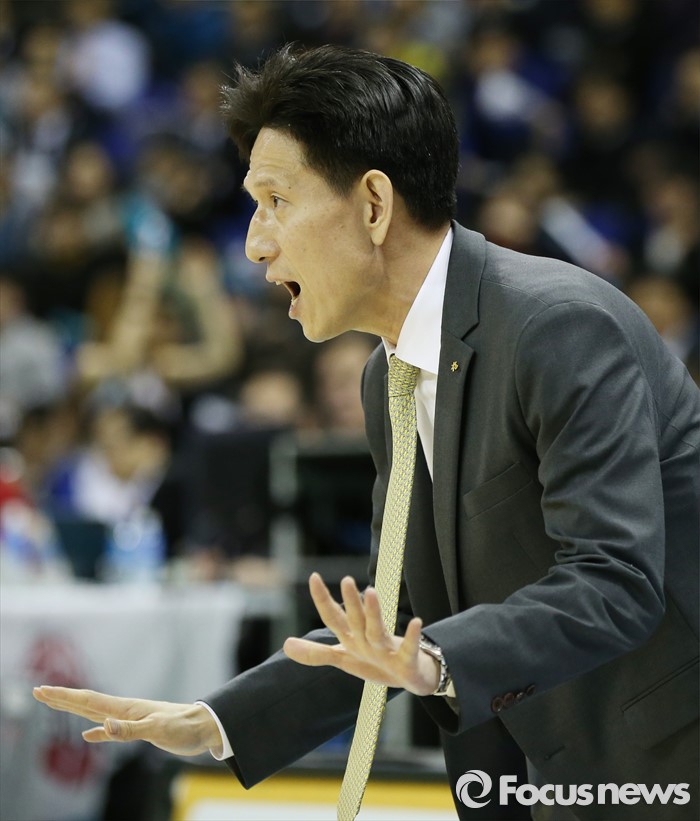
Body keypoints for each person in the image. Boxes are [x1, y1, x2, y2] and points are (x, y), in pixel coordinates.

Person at [34, 44, 699, 821]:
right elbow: (394, 613)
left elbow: (615, 579)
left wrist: (437, 659)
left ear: (374, 205)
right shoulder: (389, 376)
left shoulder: (559, 326)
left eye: (275, 200)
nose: (254, 243)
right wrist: (218, 721)